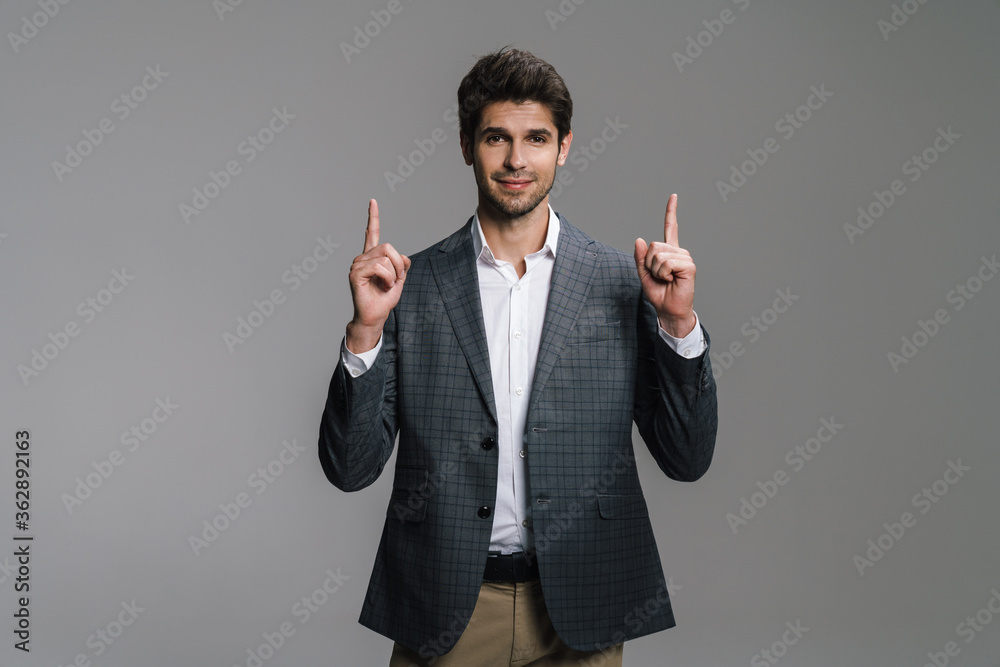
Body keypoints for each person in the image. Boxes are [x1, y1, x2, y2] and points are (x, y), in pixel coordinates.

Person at [319, 47, 718, 667]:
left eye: (536, 138)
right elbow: (350, 468)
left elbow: (686, 459)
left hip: (584, 603)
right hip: (445, 601)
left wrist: (678, 325)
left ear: (564, 147)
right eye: (496, 138)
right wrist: (366, 330)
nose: (515, 160)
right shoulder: (409, 287)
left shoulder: (624, 282)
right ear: (466, 145)